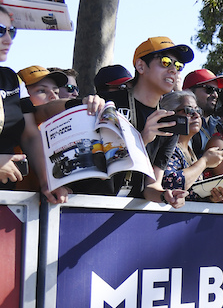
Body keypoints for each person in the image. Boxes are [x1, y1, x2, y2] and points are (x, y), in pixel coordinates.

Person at [70, 36, 192, 208]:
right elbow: (47, 111)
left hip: (126, 211)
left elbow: (151, 186)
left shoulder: (169, 123)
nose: (174, 70)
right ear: (141, 66)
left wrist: (166, 196)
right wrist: (141, 140)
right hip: (82, 204)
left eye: (179, 66)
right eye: (166, 62)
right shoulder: (106, 104)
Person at [0, 6, 72, 203]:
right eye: (0, 30)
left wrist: (47, 180)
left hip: (7, 200)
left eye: (11, 31)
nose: (8, 39)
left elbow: (29, 134)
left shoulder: (9, 79)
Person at [159, 90, 223, 202]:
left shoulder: (189, 150)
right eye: (189, 110)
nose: (196, 115)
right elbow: (170, 186)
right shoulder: (167, 148)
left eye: (198, 110)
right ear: (170, 114)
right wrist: (204, 161)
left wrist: (210, 197)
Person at [183, 68, 223, 157]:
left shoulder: (220, 125)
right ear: (189, 92)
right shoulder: (182, 123)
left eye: (217, 91)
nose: (215, 95)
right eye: (209, 89)